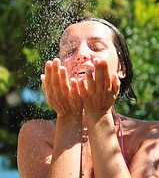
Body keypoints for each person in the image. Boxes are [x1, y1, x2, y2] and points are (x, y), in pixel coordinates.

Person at [17, 17, 159, 178]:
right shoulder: (38, 133)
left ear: (122, 68)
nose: (81, 55)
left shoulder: (152, 135)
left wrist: (99, 115)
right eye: (70, 51)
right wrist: (68, 116)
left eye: (96, 48)